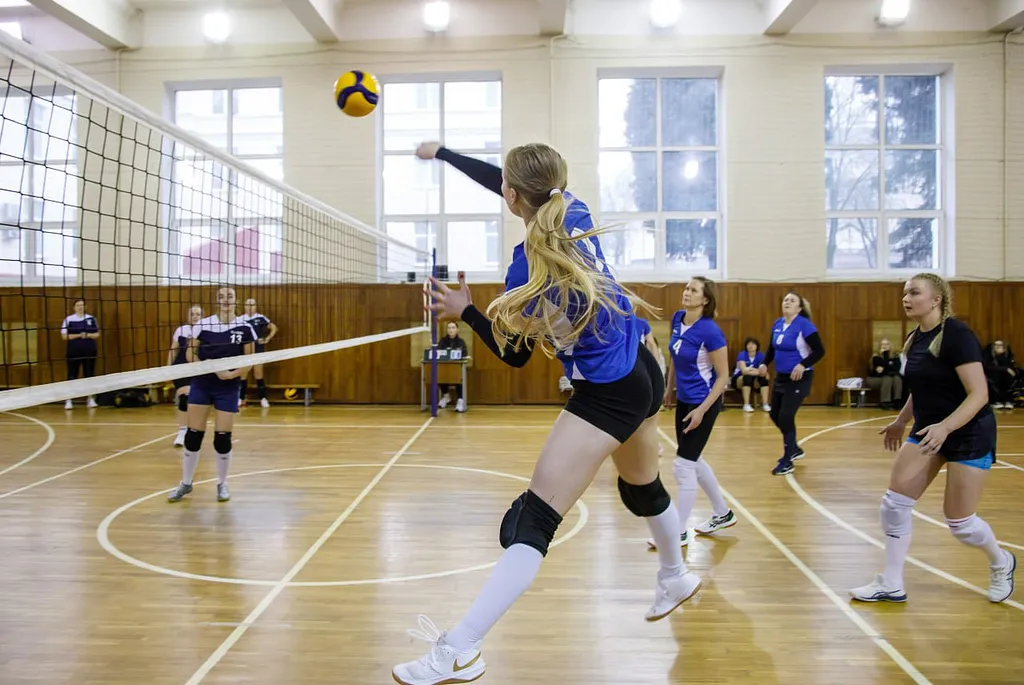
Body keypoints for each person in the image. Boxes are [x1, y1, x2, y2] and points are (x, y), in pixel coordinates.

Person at [395, 141, 700, 685]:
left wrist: (466, 311)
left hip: (608, 391)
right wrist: (444, 154)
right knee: (641, 488)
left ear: (512, 197)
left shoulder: (525, 270)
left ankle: (459, 650)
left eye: (506, 189)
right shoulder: (573, 209)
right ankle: (675, 575)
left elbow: (513, 356)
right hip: (643, 364)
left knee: (533, 519)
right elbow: (515, 182)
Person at [850, 273, 1015, 604]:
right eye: (904, 293)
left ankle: (1001, 561)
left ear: (936, 299)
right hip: (928, 430)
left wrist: (946, 428)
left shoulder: (957, 335)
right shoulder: (915, 338)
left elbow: (979, 394)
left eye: (914, 292)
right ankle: (892, 583)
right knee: (894, 504)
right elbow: (921, 387)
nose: (906, 298)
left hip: (968, 432)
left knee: (961, 523)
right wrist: (901, 420)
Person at [648, 277, 736, 551]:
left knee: (683, 465)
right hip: (685, 401)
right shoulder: (678, 319)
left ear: (705, 299)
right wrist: (668, 388)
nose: (687, 292)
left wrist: (701, 410)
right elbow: (675, 357)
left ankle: (678, 532)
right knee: (693, 460)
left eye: (693, 290)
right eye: (687, 288)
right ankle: (722, 513)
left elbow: (723, 377)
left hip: (704, 403)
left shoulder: (710, 331)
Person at [167, 287, 255, 504]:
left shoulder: (245, 327)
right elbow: (190, 355)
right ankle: (186, 483)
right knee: (193, 435)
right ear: (216, 301)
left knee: (222, 437)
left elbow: (249, 361)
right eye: (221, 297)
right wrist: (211, 368)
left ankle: (222, 483)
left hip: (228, 386)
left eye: (229, 296)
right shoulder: (203, 324)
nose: (226, 300)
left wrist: (230, 374)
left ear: (236, 300)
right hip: (202, 383)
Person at [758, 292, 825, 476]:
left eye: (792, 300)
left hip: (799, 378)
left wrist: (803, 364)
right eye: (785, 300)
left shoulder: (805, 325)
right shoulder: (778, 324)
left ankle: (788, 460)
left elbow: (819, 351)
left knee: (786, 416)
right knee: (774, 414)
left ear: (799, 307)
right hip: (781, 377)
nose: (787, 302)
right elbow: (771, 348)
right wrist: (764, 363)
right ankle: (794, 448)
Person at [168, 305, 203, 447]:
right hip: (181, 368)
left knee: (196, 402)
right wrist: (167, 369)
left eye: (198, 314)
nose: (195, 317)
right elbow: (173, 350)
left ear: (202, 316)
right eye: (192, 314)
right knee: (185, 397)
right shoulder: (181, 330)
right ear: (188, 316)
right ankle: (182, 432)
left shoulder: (206, 329)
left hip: (198, 369)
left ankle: (193, 430)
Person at [60, 298, 100, 410]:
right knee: (72, 375)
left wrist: (87, 335)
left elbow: (97, 334)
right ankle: (69, 399)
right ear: (74, 307)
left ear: (85, 307)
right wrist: (78, 335)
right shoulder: (68, 319)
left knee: (89, 375)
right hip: (73, 352)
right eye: (78, 305)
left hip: (89, 351)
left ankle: (90, 399)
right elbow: (64, 336)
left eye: (82, 305)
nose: (80, 307)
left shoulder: (91, 319)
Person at [239, 298, 277, 408]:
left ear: (256, 306)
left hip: (258, 349)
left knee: (258, 374)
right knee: (243, 374)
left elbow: (273, 327)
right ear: (244, 306)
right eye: (248, 305)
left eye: (252, 305)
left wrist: (267, 339)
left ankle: (263, 398)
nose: (250, 307)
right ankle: (241, 398)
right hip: (244, 350)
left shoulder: (260, 318)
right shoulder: (240, 319)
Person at [438, 321, 468, 412]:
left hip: (457, 368)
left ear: (457, 330)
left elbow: (464, 354)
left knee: (459, 376)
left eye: (453, 327)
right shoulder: (442, 341)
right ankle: (446, 396)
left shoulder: (461, 342)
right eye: (449, 328)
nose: (451, 330)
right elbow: (439, 353)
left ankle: (460, 400)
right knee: (439, 375)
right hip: (445, 368)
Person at [734, 337, 770, 413]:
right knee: (747, 377)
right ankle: (746, 404)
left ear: (757, 346)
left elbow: (763, 372)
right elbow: (744, 371)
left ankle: (765, 404)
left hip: (754, 378)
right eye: (748, 344)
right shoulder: (742, 354)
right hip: (738, 378)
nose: (750, 346)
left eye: (753, 344)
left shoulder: (761, 356)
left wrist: (751, 370)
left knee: (764, 379)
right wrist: (757, 371)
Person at [867, 337, 903, 410]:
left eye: (887, 344)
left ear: (890, 345)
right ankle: (885, 402)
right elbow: (880, 372)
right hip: (875, 379)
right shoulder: (876, 357)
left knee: (897, 379)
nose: (885, 346)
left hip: (891, 377)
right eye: (882, 344)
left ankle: (897, 401)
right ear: (879, 346)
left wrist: (886, 368)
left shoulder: (895, 356)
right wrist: (886, 355)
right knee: (887, 378)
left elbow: (896, 369)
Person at [984, 340, 1016, 410]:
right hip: (991, 376)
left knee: (1007, 377)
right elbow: (987, 367)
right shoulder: (988, 355)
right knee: (995, 375)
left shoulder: (1007, 355)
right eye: (996, 345)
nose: (998, 347)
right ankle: (995, 401)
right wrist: (1005, 369)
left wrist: (1000, 356)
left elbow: (1010, 367)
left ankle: (1006, 400)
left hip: (1003, 377)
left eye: (1001, 345)